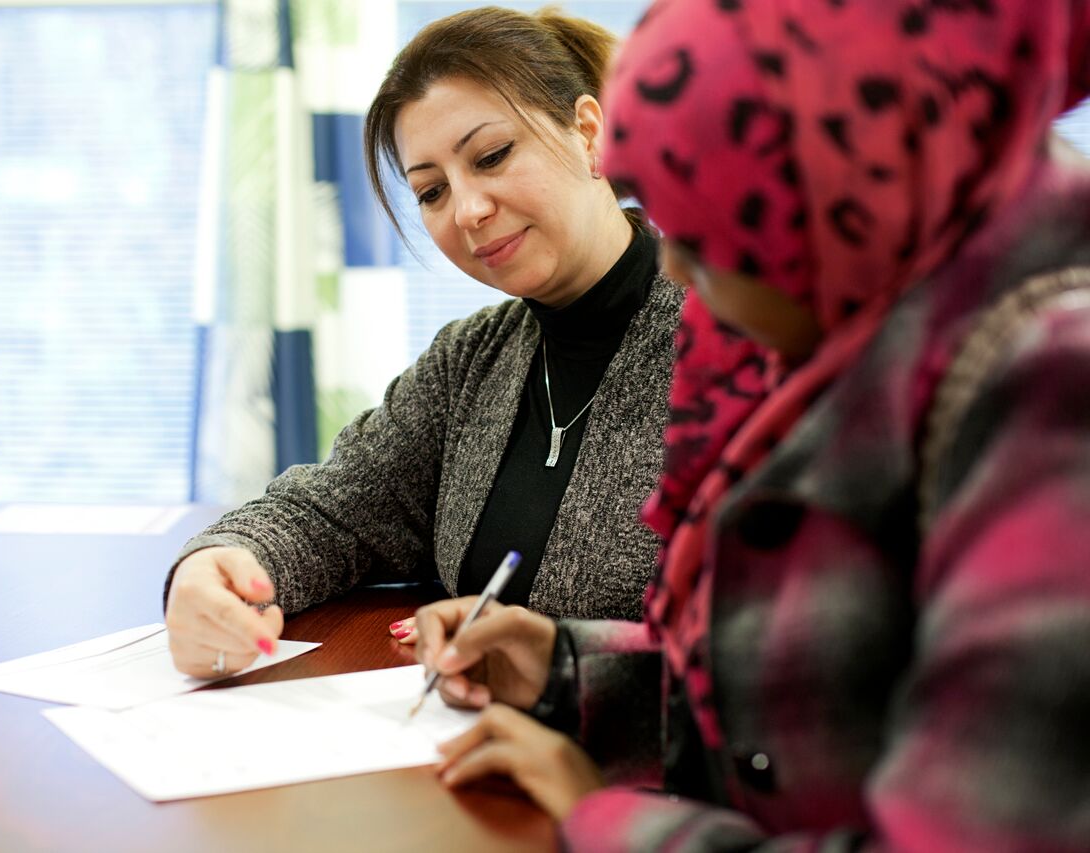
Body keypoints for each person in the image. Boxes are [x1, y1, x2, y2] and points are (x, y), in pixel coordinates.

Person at [419, 0, 1090, 848]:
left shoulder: (1049, 392)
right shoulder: (869, 328)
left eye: (709, 232)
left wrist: (605, 818)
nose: (675, 268)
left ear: (834, 191)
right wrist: (569, 672)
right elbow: (833, 685)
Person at [163, 7, 687, 679]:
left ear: (588, 133)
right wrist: (218, 566)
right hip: (464, 757)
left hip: (636, 774)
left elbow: (781, 658)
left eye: (492, 156)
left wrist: (562, 672)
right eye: (432, 191)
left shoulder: (734, 341)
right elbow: (330, 510)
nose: (467, 210)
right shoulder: (471, 359)